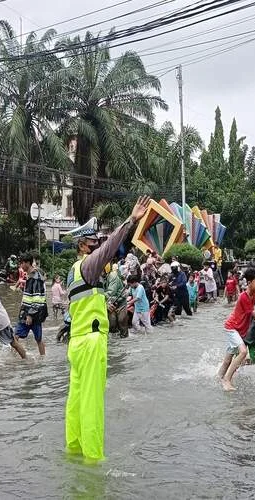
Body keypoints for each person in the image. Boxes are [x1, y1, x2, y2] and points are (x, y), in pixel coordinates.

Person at [64, 196, 150, 463]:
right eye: (94, 243)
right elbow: (111, 247)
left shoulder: (72, 272)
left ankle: (75, 450)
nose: (98, 247)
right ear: (82, 245)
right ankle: (93, 459)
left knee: (76, 403)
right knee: (92, 403)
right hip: (91, 343)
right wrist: (131, 220)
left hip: (77, 343)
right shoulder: (87, 266)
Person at [15, 253, 48, 356]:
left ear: (28, 263)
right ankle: (40, 358)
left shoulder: (35, 277)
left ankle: (20, 357)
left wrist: (30, 315)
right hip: (30, 312)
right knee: (36, 338)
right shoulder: (31, 275)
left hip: (31, 313)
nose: (21, 266)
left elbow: (37, 298)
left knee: (17, 336)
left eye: (22, 263)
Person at [105, 264, 129, 338]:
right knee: (112, 324)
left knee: (122, 322)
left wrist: (99, 295)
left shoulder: (113, 276)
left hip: (120, 301)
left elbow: (111, 292)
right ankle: (115, 343)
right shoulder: (100, 277)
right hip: (110, 302)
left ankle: (124, 341)